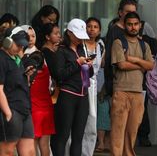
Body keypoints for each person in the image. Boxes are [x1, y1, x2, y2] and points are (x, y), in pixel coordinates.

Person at [110, 12, 154, 156]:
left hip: (138, 92)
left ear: (140, 25)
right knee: (118, 130)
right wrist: (141, 65)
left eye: (136, 24)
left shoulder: (144, 45)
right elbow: (122, 65)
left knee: (132, 130)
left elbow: (151, 66)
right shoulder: (118, 42)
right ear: (124, 25)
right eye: (130, 24)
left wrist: (134, 59)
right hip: (121, 91)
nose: (133, 27)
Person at [50, 18, 94, 156]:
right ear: (69, 33)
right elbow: (59, 74)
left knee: (78, 138)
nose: (81, 39)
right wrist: (77, 63)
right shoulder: (61, 51)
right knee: (62, 137)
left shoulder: (82, 49)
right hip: (67, 95)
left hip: (83, 96)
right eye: (78, 36)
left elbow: (88, 73)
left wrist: (89, 66)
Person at [0, 27, 36, 156]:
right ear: (8, 41)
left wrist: (27, 76)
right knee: (7, 151)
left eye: (22, 46)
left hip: (24, 109)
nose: (20, 48)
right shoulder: (2, 59)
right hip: (12, 109)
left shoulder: (17, 59)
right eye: (18, 44)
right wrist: (8, 113)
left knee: (29, 152)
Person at [21, 25, 55, 156]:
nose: (30, 39)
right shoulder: (42, 58)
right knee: (44, 144)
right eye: (27, 36)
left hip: (34, 107)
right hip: (46, 107)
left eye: (33, 36)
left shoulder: (25, 61)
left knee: (32, 143)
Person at [82, 17, 104, 156]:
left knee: (92, 119)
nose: (92, 29)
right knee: (78, 120)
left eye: (95, 27)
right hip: (79, 83)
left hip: (93, 84)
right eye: (89, 26)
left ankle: (87, 152)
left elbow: (101, 68)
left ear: (99, 30)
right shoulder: (80, 44)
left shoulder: (100, 45)